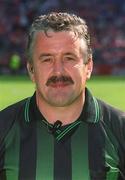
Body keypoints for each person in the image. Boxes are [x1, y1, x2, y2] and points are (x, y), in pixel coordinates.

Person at [0, 12, 125, 180]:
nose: (58, 71)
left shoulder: (120, 129)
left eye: (69, 58)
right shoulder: (3, 128)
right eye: (47, 59)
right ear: (31, 70)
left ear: (88, 67)